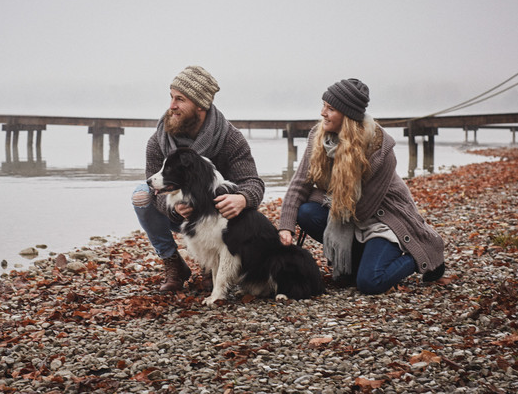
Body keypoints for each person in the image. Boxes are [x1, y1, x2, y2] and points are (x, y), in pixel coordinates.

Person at [278, 78, 445, 295]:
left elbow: (362, 209)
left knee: (370, 283)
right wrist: (286, 226)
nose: (322, 113)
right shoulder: (318, 137)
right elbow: (300, 184)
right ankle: (354, 263)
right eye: (323, 106)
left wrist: (316, 195)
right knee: (306, 212)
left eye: (330, 109)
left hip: (384, 220)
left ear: (347, 115)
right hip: (349, 217)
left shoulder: (380, 150)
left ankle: (419, 253)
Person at [132, 65, 265, 292]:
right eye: (171, 97)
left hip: (215, 218)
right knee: (141, 195)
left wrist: (242, 199)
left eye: (180, 99)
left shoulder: (229, 139)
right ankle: (172, 262)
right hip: (181, 215)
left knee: (235, 207)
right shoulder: (158, 141)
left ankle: (210, 266)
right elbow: (154, 189)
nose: (171, 106)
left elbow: (253, 182)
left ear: (200, 104)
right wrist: (174, 209)